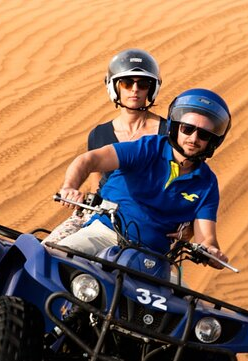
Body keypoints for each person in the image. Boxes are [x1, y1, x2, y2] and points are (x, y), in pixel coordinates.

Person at [55, 88, 232, 269]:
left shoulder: (207, 183)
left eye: (204, 134)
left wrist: (211, 251)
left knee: (180, 297)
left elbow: (206, 237)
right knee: (55, 259)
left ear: (213, 141)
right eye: (187, 129)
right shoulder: (148, 148)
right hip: (103, 234)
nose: (193, 138)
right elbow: (90, 160)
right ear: (175, 127)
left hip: (153, 258)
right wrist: (69, 187)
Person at [43, 48, 166, 244]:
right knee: (44, 252)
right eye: (126, 83)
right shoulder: (99, 134)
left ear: (152, 89)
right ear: (114, 86)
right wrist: (70, 190)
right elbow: (96, 181)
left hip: (145, 221)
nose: (135, 90)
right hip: (99, 214)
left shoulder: (169, 133)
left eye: (143, 84)